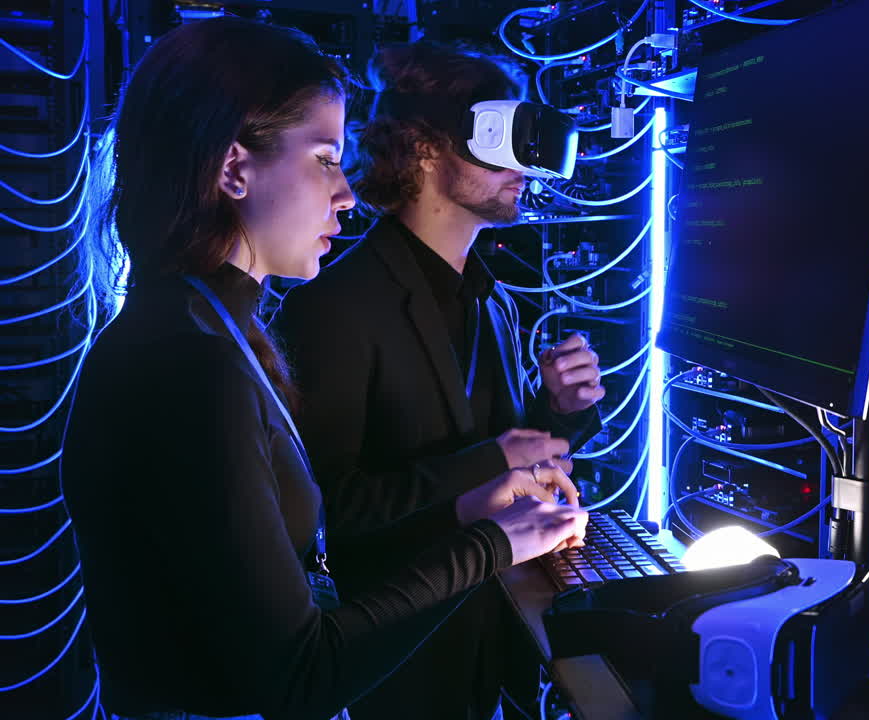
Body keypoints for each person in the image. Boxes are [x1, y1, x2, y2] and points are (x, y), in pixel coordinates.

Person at [60, 17, 586, 720]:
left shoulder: (211, 334)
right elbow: (296, 674)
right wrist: (492, 543)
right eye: (325, 158)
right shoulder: (191, 363)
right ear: (235, 168)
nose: (346, 193)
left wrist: (469, 506)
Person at [272, 42, 605, 719]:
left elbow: (506, 463)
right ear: (425, 148)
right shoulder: (335, 307)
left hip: (494, 640)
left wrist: (560, 412)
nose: (526, 167)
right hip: (396, 670)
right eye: (500, 139)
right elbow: (324, 520)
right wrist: (493, 462)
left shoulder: (496, 303)